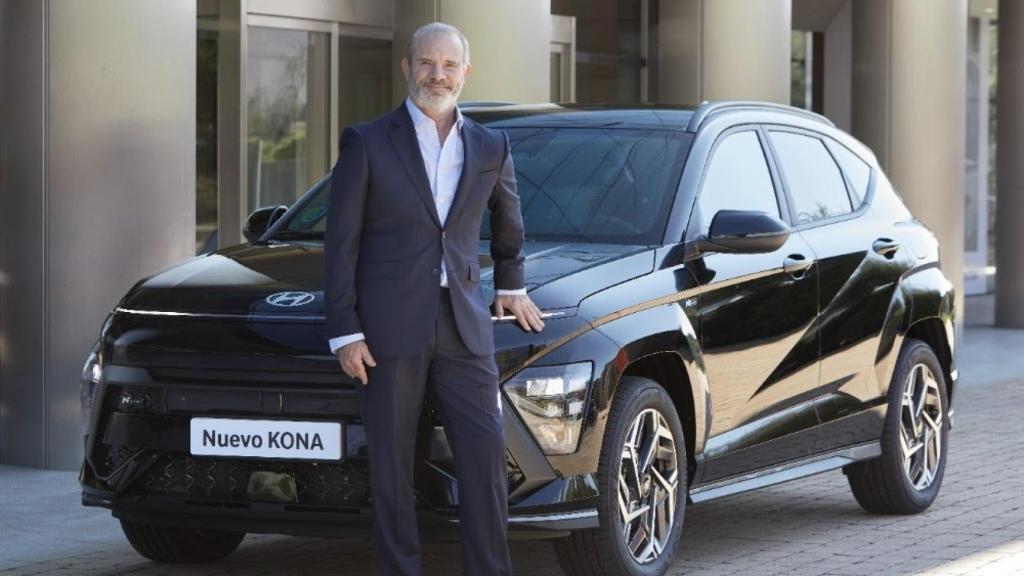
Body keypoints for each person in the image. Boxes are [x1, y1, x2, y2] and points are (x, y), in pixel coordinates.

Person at [324, 21, 545, 576]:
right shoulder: (368, 141)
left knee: (484, 459)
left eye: (449, 65)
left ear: (465, 72)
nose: (437, 75)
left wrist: (511, 284)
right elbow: (341, 241)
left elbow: (508, 220)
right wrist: (345, 329)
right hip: (387, 330)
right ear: (407, 68)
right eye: (427, 63)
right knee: (393, 471)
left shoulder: (491, 144)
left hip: (464, 325)